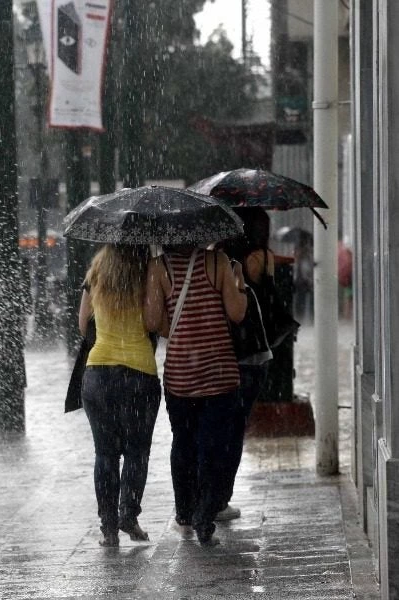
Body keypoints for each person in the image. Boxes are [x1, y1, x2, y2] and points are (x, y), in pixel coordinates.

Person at [144, 243, 247, 547]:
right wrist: (238, 281)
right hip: (219, 372)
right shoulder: (218, 261)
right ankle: (205, 514)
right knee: (213, 446)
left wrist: (178, 330)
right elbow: (237, 313)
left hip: (180, 376)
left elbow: (152, 321)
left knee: (183, 443)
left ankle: (185, 512)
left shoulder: (158, 267)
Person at [77, 244, 161, 547]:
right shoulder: (148, 270)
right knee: (137, 452)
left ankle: (108, 528)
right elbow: (153, 322)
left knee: (105, 453)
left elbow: (82, 323)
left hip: (98, 373)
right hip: (138, 373)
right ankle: (129, 514)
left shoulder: (97, 270)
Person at [217, 207, 276, 522]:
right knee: (235, 429)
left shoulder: (223, 260)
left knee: (218, 428)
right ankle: (221, 496)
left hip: (225, 352)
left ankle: (209, 494)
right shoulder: (261, 259)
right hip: (254, 354)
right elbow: (268, 301)